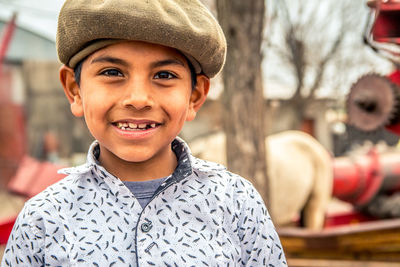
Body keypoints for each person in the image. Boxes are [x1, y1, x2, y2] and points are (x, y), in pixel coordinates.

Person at [1, 0, 287, 266]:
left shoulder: (237, 203)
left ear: (195, 95)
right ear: (75, 90)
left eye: (164, 75)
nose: (138, 99)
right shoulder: (42, 219)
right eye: (112, 72)